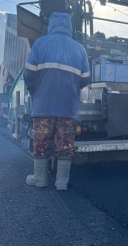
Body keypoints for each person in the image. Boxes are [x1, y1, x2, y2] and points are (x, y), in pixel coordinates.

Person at [23, 12, 90, 190]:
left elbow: (29, 74)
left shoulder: (40, 44)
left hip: (44, 105)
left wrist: (34, 91)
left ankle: (40, 178)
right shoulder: (79, 49)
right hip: (67, 106)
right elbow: (85, 79)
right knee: (66, 142)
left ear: (51, 25)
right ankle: (62, 182)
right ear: (69, 26)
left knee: (42, 140)